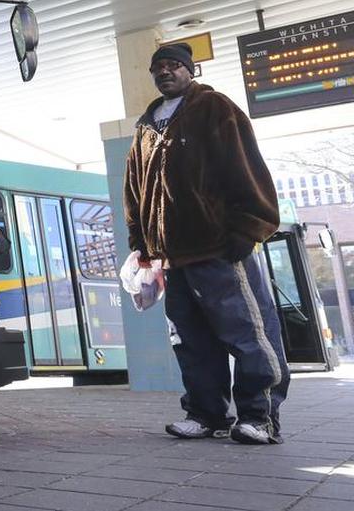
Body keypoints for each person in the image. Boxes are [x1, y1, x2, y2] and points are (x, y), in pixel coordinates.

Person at [123, 43, 288, 446]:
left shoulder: (215, 108)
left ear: (191, 70)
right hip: (171, 257)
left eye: (174, 65)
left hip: (219, 249)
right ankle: (205, 413)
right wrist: (142, 243)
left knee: (247, 334)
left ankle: (260, 417)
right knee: (191, 341)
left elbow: (244, 165)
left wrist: (247, 228)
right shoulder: (146, 126)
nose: (166, 72)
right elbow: (135, 190)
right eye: (158, 67)